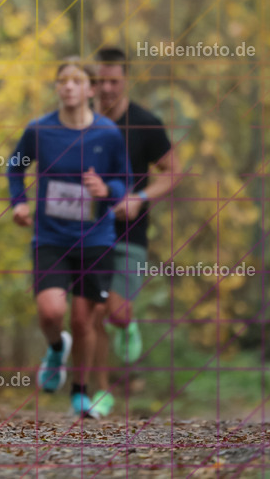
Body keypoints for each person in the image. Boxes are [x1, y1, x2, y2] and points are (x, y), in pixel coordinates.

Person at [7, 57, 132, 418]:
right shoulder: (39, 130)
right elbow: (16, 167)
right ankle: (55, 346)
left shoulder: (107, 133)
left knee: (83, 320)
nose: (68, 87)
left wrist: (105, 188)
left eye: (77, 81)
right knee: (51, 312)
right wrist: (19, 203)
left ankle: (80, 393)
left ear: (91, 89)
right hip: (51, 237)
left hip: (95, 239)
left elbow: (124, 182)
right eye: (62, 80)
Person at [89, 46, 178, 418]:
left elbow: (173, 171)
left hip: (130, 233)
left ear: (125, 80)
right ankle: (98, 393)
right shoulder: (80, 122)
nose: (106, 88)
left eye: (114, 80)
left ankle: (127, 324)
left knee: (117, 313)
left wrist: (140, 197)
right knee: (93, 313)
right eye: (100, 81)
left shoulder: (145, 123)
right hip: (88, 233)